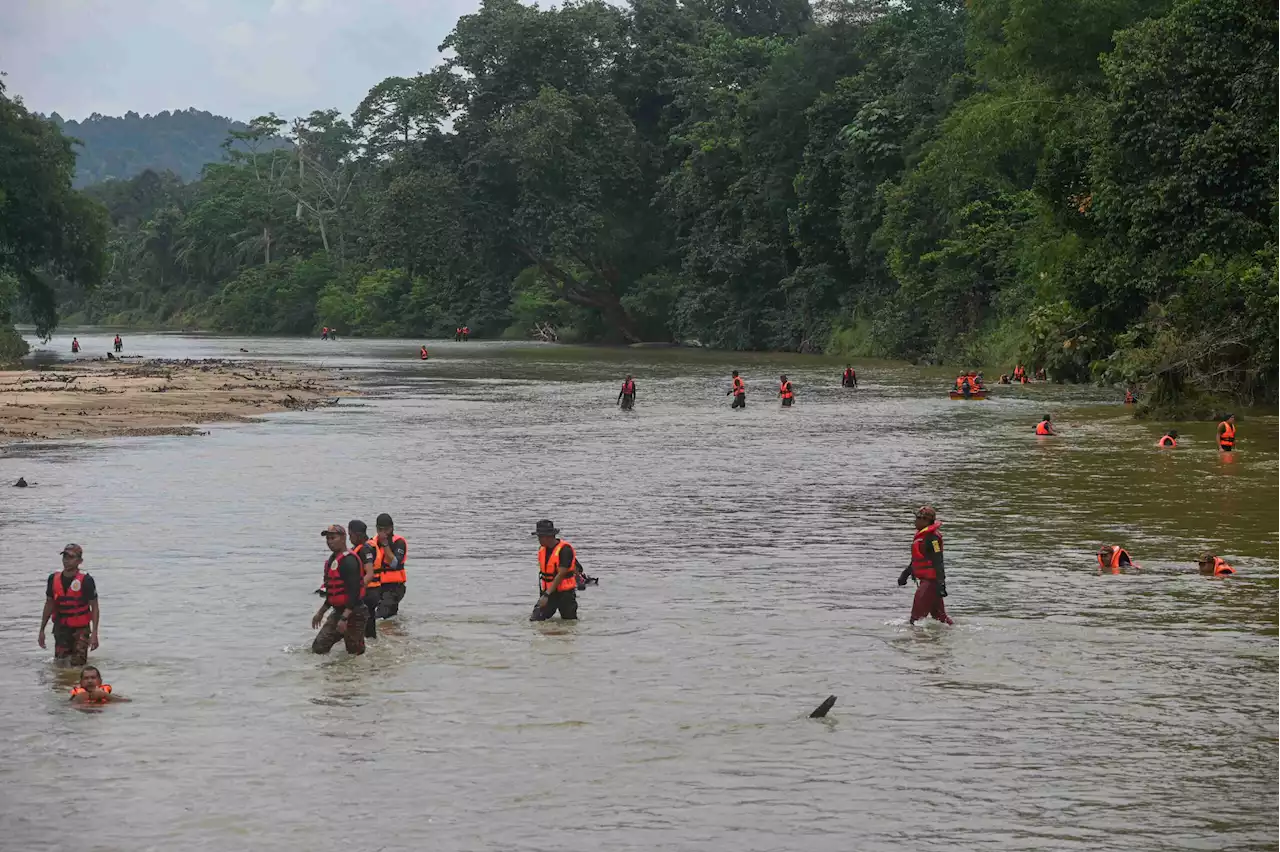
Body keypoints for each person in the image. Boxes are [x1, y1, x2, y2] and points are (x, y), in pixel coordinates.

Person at [38, 544, 99, 667]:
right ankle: (63, 685)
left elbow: (95, 607)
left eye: (71, 557)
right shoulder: (53, 579)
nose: (66, 560)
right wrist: (42, 630)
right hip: (61, 627)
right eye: (65, 556)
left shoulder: (86, 580)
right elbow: (49, 604)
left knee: (78, 665)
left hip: (81, 628)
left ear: (79, 561)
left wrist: (94, 634)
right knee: (60, 664)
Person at [311, 525, 367, 655]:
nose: (329, 541)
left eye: (333, 538)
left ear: (343, 538)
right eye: (328, 539)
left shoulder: (349, 561)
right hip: (339, 612)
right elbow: (333, 593)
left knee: (354, 654)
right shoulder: (332, 560)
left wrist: (344, 618)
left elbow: (354, 592)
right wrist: (320, 613)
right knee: (319, 647)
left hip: (354, 612)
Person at [898, 506, 953, 625]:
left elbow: (938, 561)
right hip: (929, 583)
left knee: (915, 621)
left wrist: (941, 584)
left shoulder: (933, 538)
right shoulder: (921, 536)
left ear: (926, 521)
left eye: (918, 518)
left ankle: (917, 642)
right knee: (941, 619)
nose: (915, 521)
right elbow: (918, 559)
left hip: (931, 583)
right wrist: (906, 573)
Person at [530, 519, 580, 621]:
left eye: (540, 537)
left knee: (569, 622)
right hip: (549, 592)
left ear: (548, 536)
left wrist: (546, 595)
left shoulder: (565, 550)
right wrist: (546, 594)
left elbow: (561, 574)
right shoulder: (542, 549)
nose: (538, 539)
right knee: (535, 619)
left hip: (565, 594)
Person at [346, 520, 380, 639]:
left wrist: (357, 591)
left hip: (367, 593)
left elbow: (369, 574)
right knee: (369, 626)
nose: (349, 538)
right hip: (373, 592)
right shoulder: (367, 546)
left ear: (358, 535)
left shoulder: (365, 550)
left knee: (357, 623)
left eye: (351, 535)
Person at [371, 513, 407, 620]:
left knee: (380, 617)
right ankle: (393, 633)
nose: (383, 533)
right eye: (380, 529)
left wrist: (385, 545)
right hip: (377, 586)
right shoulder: (372, 542)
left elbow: (394, 564)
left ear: (391, 528)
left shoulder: (399, 543)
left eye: (386, 529)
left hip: (394, 587)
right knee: (389, 618)